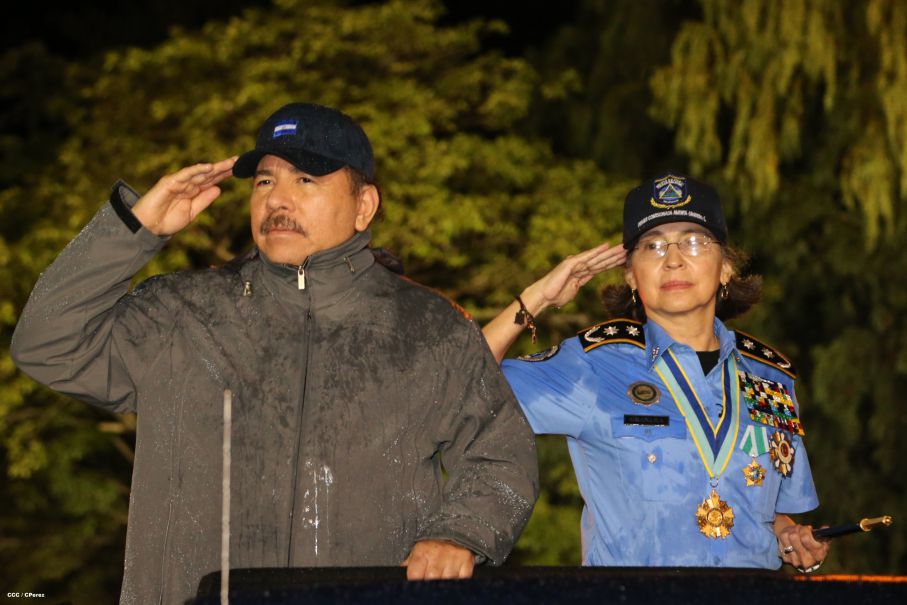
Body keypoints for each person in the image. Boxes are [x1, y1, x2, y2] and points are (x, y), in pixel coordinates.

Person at [11, 102, 538, 604]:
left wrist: (461, 534)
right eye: (265, 180)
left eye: (306, 180)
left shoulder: (431, 328)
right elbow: (46, 344)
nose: (277, 200)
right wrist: (133, 230)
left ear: (364, 206)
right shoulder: (181, 312)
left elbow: (502, 455)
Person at [483, 173, 829, 571]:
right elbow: (460, 383)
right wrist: (538, 297)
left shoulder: (772, 378)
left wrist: (789, 536)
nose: (674, 259)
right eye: (653, 245)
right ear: (630, 273)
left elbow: (776, 513)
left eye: (695, 241)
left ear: (726, 268)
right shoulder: (592, 363)